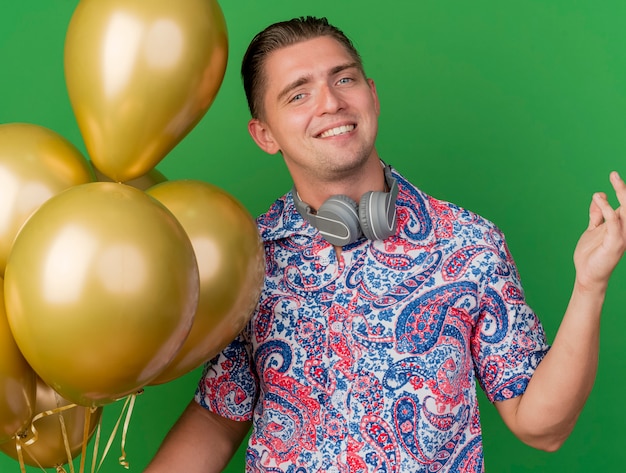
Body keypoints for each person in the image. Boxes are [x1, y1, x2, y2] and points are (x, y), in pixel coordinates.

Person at [145, 16, 626, 472]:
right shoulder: (247, 256)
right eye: (298, 94)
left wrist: (590, 285)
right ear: (265, 134)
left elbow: (541, 427)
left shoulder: (470, 243)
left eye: (345, 79)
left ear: (372, 95)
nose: (330, 102)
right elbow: (217, 418)